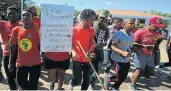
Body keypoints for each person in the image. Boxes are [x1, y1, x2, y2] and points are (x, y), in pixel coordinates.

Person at [9, 9, 41, 90]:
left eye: (28, 15)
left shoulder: (38, 30)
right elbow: (12, 47)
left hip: (35, 63)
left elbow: (41, 46)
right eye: (23, 15)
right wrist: (11, 62)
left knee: (33, 86)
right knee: (21, 83)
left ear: (32, 18)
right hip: (21, 63)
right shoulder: (16, 30)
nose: (25, 17)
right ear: (21, 17)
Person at [130, 17, 164, 90]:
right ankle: (133, 84)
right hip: (140, 54)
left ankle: (144, 75)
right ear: (150, 24)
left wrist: (156, 46)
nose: (157, 28)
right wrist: (143, 46)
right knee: (139, 70)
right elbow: (132, 44)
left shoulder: (156, 33)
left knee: (151, 69)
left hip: (149, 54)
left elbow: (157, 40)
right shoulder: (140, 32)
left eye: (159, 27)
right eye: (156, 26)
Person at [68, 9, 96, 90]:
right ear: (84, 19)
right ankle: (72, 83)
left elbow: (92, 43)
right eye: (91, 19)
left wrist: (91, 52)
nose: (93, 21)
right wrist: (73, 52)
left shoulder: (91, 29)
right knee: (78, 79)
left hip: (87, 58)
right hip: (77, 59)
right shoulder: (74, 29)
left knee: (87, 80)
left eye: (94, 19)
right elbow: (70, 43)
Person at [108, 19, 134, 90]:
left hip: (127, 60)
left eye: (133, 23)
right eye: (131, 23)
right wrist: (121, 52)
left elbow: (130, 47)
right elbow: (111, 46)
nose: (133, 25)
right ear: (124, 25)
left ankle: (115, 86)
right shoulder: (118, 34)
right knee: (119, 76)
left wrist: (132, 51)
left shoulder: (132, 35)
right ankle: (109, 81)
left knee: (124, 76)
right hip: (117, 59)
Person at [0, 6, 22, 89]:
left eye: (13, 13)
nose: (11, 15)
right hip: (7, 55)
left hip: (19, 56)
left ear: (17, 15)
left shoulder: (22, 25)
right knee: (10, 77)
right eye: (9, 13)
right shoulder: (2, 24)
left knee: (19, 77)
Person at [90, 10, 109, 90]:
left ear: (106, 20)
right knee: (89, 69)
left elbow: (106, 40)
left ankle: (92, 84)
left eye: (103, 18)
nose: (101, 19)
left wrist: (103, 44)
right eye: (100, 17)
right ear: (97, 17)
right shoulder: (91, 24)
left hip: (99, 51)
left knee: (97, 69)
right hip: (89, 50)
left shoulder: (106, 28)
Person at [103, 18, 123, 89]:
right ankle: (106, 73)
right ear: (116, 22)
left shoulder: (118, 30)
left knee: (112, 62)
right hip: (107, 48)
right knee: (109, 62)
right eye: (120, 23)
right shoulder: (108, 28)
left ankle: (107, 73)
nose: (121, 25)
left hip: (113, 48)